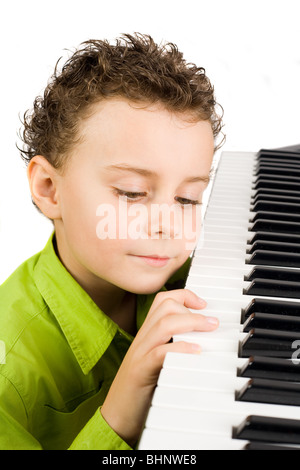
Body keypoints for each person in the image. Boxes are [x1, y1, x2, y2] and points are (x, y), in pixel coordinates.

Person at [0, 33, 223, 449]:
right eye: (132, 192)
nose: (167, 224)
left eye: (187, 198)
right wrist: (118, 416)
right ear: (49, 188)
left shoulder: (195, 281)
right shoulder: (9, 371)